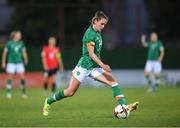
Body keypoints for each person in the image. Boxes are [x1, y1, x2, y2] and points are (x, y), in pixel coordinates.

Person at [43, 11, 139, 116]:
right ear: (95, 21)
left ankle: (124, 105)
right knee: (70, 92)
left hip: (93, 67)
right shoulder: (90, 34)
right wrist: (103, 65)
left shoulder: (97, 32)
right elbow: (92, 54)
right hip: (84, 67)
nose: (103, 26)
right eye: (102, 24)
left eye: (104, 25)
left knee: (113, 81)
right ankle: (48, 101)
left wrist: (99, 66)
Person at [1, 30, 28, 99]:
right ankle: (8, 93)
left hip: (19, 62)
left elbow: (24, 52)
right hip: (11, 62)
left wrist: (25, 59)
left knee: (22, 77)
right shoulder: (9, 43)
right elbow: (5, 53)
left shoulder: (21, 43)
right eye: (19, 35)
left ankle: (23, 93)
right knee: (9, 77)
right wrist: (3, 62)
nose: (20, 36)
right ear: (15, 36)